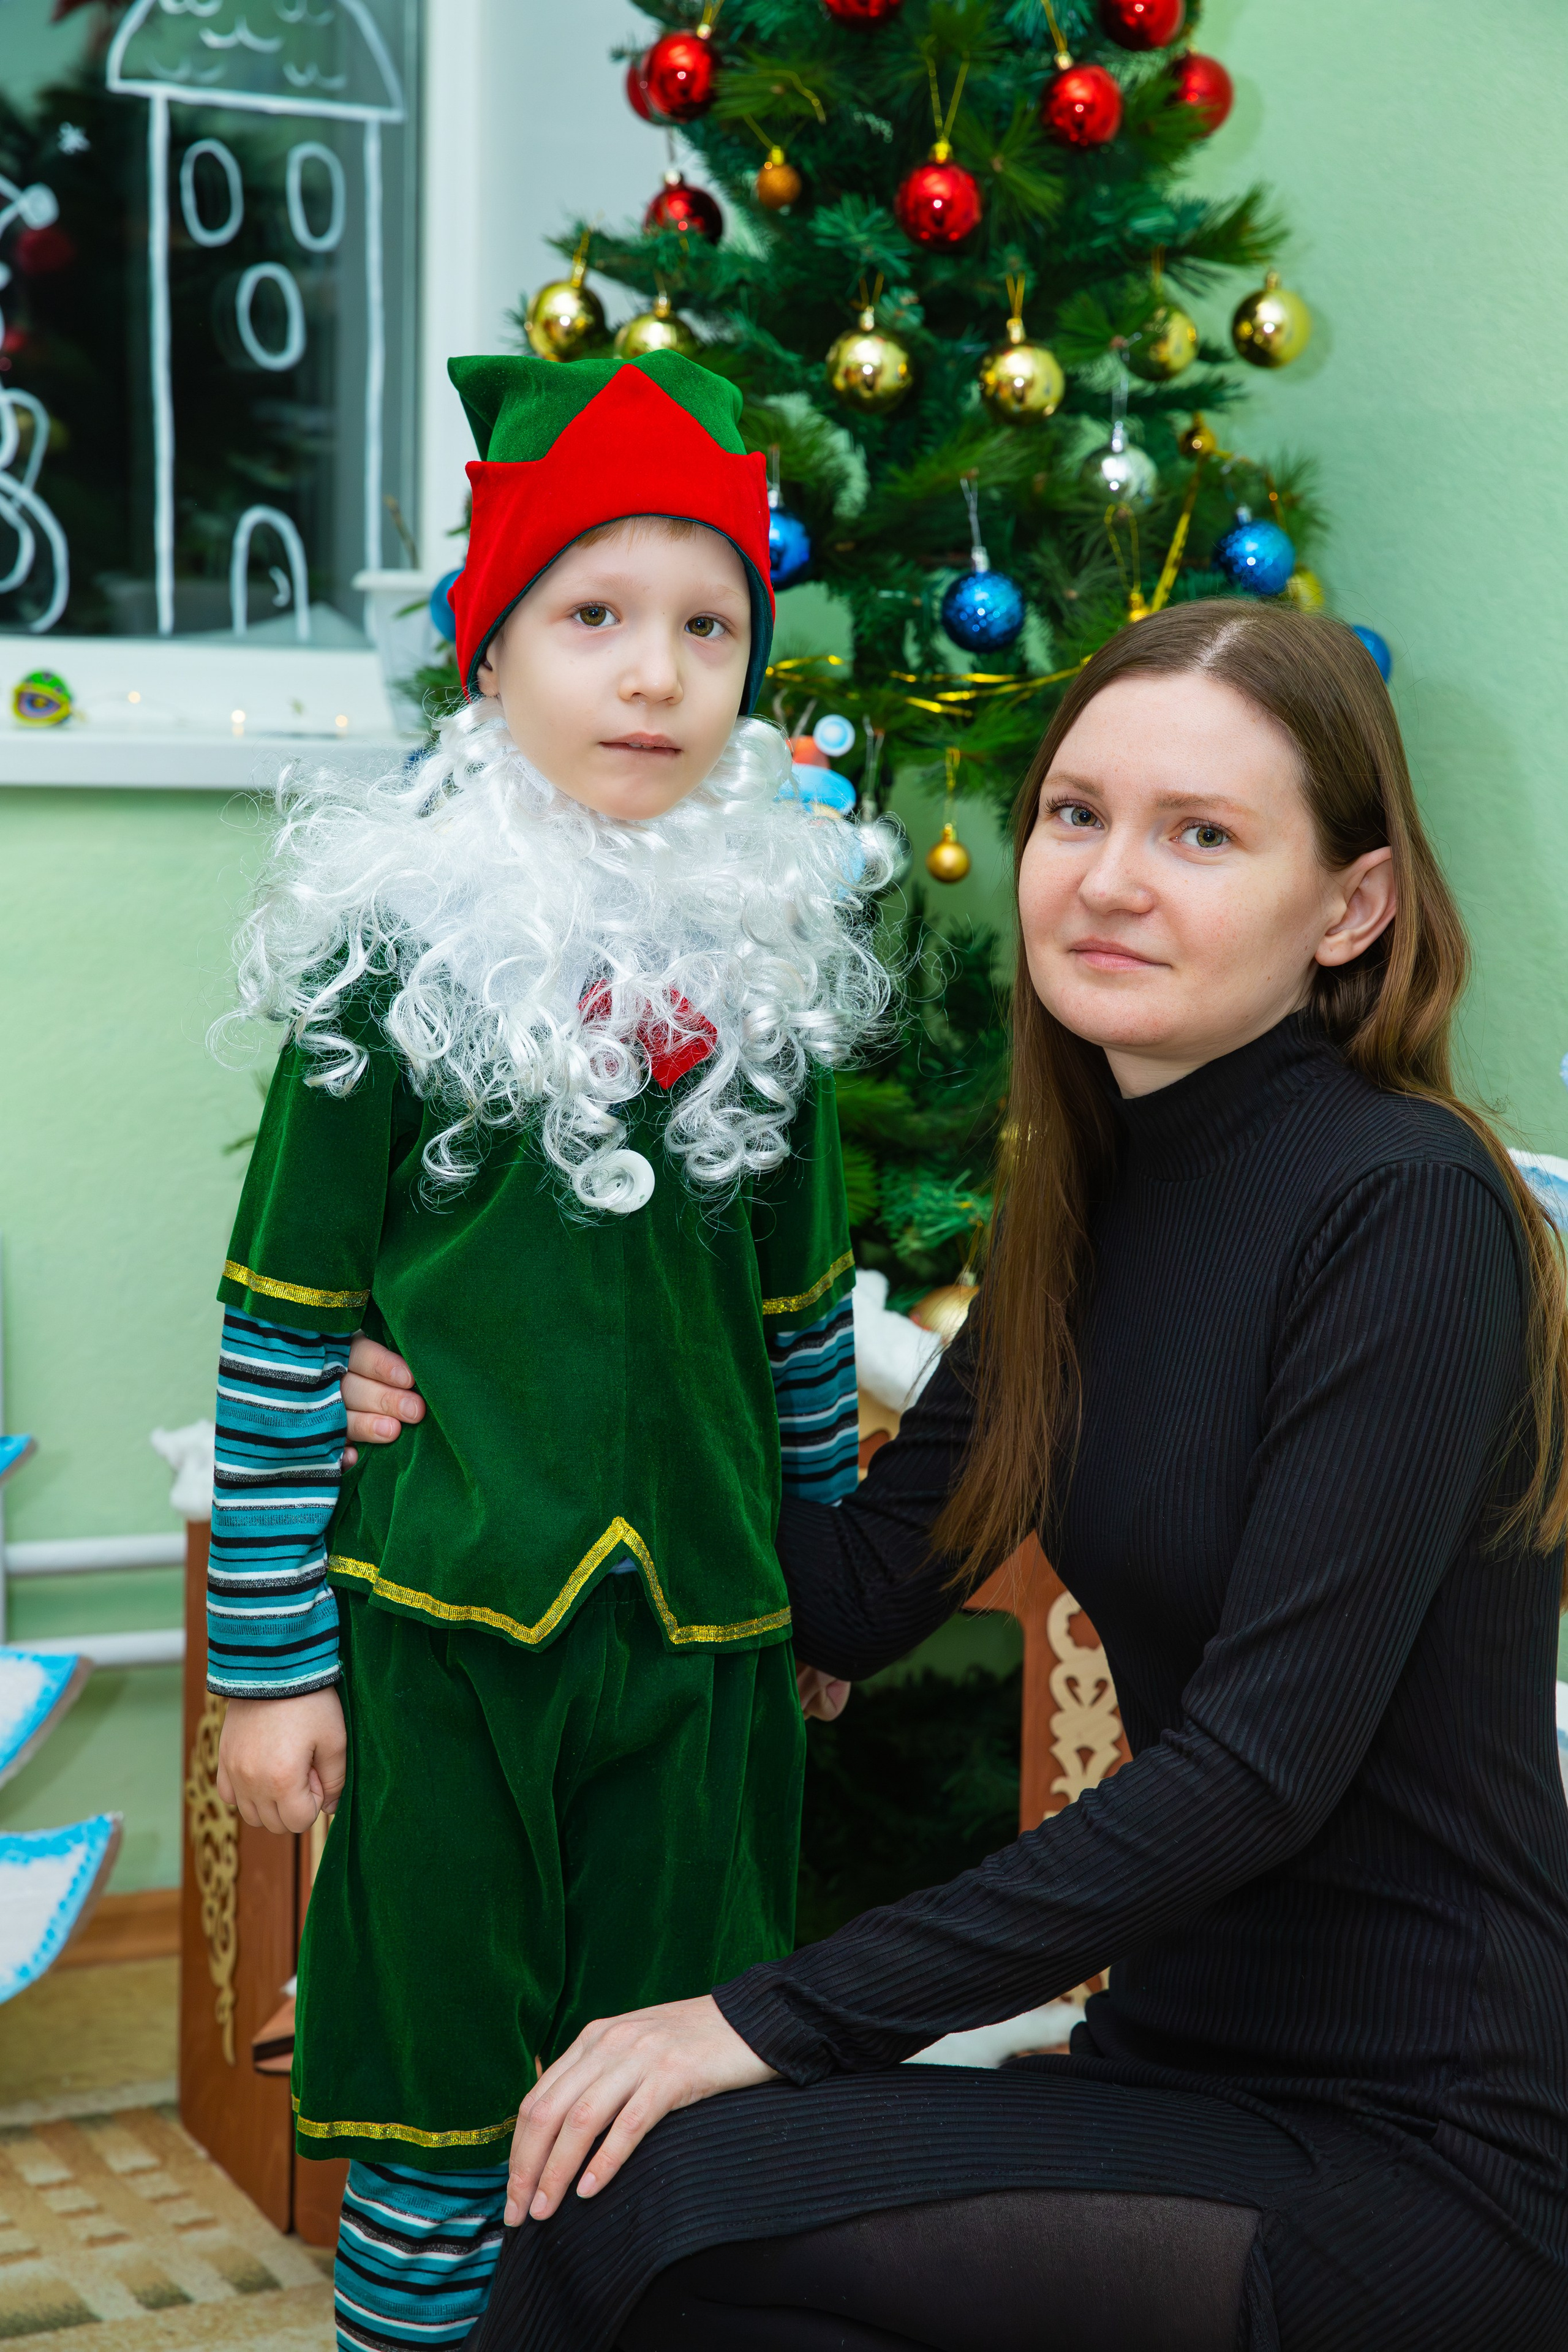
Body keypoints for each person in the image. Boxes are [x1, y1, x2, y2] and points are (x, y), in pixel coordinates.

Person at [344, 600, 1568, 2351]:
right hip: (1186, 2063)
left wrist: (769, 2017)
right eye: (1077, 816)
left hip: (1424, 2141)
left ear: (1351, 909)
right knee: (632, 2206)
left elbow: (1253, 1775)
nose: (1111, 879)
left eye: (1201, 835)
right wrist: (470, 1401)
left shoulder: (1408, 1209)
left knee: (651, 2202)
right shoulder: (1094, 1202)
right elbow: (851, 1585)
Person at [205, 349, 891, 2352]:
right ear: (491, 654)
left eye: (705, 628)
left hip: (704, 1648)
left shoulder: (770, 957)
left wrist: (827, 1588)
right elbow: (278, 1326)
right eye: (595, 619)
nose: (656, 675)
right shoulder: (384, 946)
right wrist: (268, 1672)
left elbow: (799, 1333)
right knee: (437, 2105)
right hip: (437, 1636)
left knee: (669, 2095)